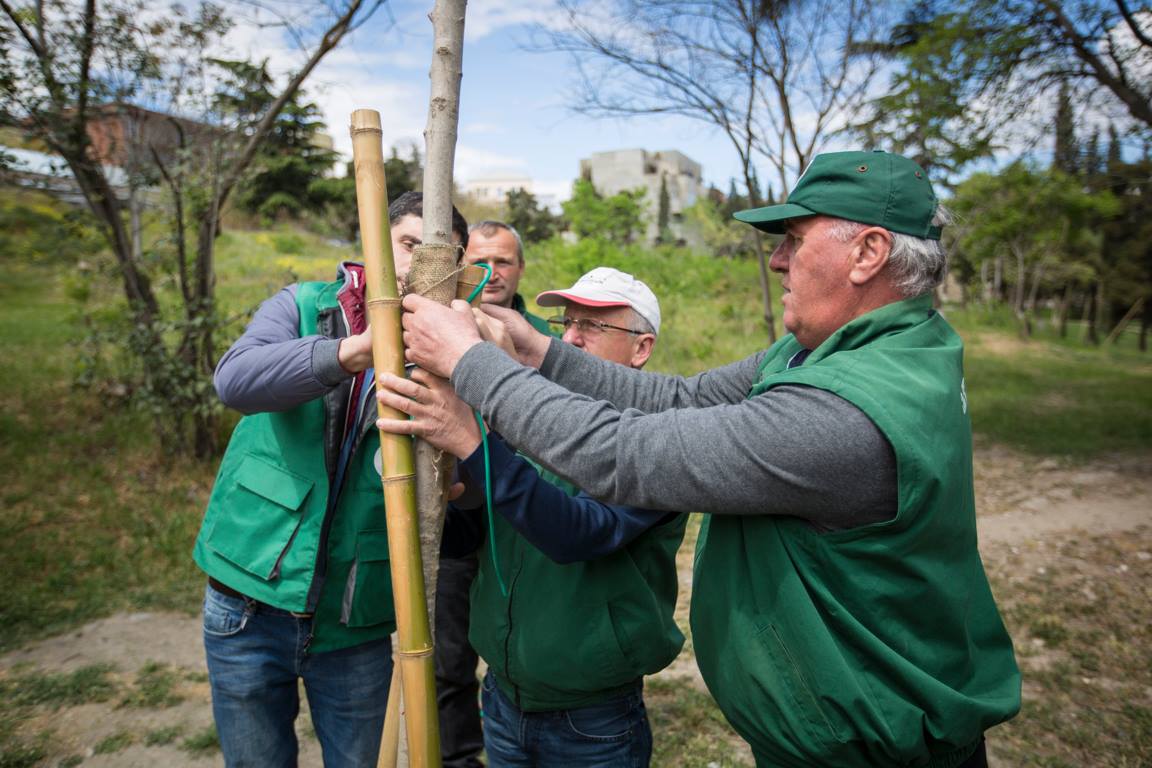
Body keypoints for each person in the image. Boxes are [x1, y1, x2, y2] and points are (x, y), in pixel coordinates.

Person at [378, 151, 1022, 768]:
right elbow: (682, 399)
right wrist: (536, 352)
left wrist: (472, 365)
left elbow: (625, 453)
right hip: (849, 731)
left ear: (868, 252)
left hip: (874, 748)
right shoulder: (840, 352)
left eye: (794, 240)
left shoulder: (843, 412)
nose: (776, 260)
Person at [193, 191, 469, 768]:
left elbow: (469, 474)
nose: (419, 266)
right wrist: (353, 352)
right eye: (409, 245)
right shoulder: (302, 304)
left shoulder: (458, 358)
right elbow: (235, 381)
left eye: (438, 257)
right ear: (375, 243)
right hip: (248, 597)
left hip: (356, 619)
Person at [384, 267, 682, 767]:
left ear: (642, 348)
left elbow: (579, 534)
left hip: (592, 717)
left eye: (593, 326)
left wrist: (476, 442)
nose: (570, 339)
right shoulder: (536, 410)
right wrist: (444, 496)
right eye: (567, 323)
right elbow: (467, 540)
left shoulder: (660, 439)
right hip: (503, 697)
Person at [434, 219, 556, 768]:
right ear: (462, 265)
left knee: (525, 646)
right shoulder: (436, 328)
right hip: (458, 512)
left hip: (526, 517)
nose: (492, 271)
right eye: (480, 261)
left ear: (521, 268)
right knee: (448, 657)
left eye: (503, 261)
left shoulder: (546, 340)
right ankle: (460, 757)